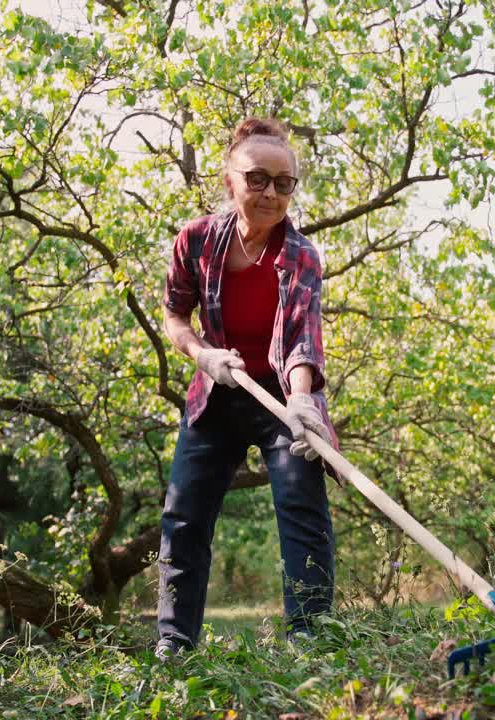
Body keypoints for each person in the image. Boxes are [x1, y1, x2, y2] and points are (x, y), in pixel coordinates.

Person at [157, 117, 338, 658]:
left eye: (285, 184)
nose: (271, 194)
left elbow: (303, 338)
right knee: (184, 514)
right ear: (230, 179)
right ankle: (174, 642)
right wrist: (201, 354)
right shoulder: (194, 240)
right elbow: (174, 316)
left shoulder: (300, 255)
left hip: (283, 396)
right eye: (258, 178)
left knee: (301, 504)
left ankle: (310, 637)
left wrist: (303, 402)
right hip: (217, 389)